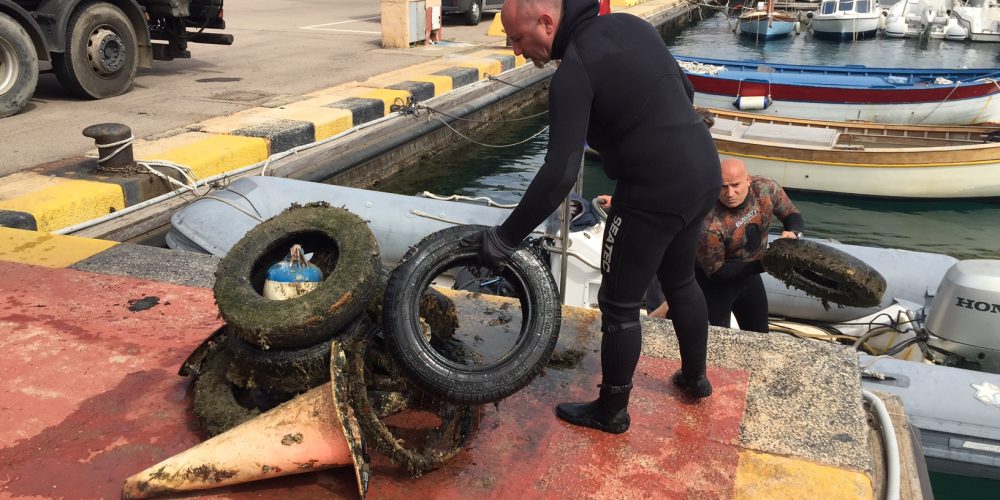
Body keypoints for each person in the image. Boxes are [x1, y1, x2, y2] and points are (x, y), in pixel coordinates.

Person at [460, 0, 722, 434]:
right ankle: (695, 379)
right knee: (680, 279)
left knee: (618, 304)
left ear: (546, 22)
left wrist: (506, 238)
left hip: (652, 189)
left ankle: (612, 410)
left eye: (518, 39)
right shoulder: (628, 25)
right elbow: (685, 90)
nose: (517, 51)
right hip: (702, 168)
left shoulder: (573, 72)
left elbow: (560, 173)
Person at [696, 158, 804, 333]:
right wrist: (768, 263)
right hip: (715, 284)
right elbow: (718, 272)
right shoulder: (709, 224)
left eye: (735, 185)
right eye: (723, 187)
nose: (730, 193)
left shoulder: (765, 188)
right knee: (719, 340)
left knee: (760, 335)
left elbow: (791, 214)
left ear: (748, 179)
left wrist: (793, 232)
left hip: (750, 278)